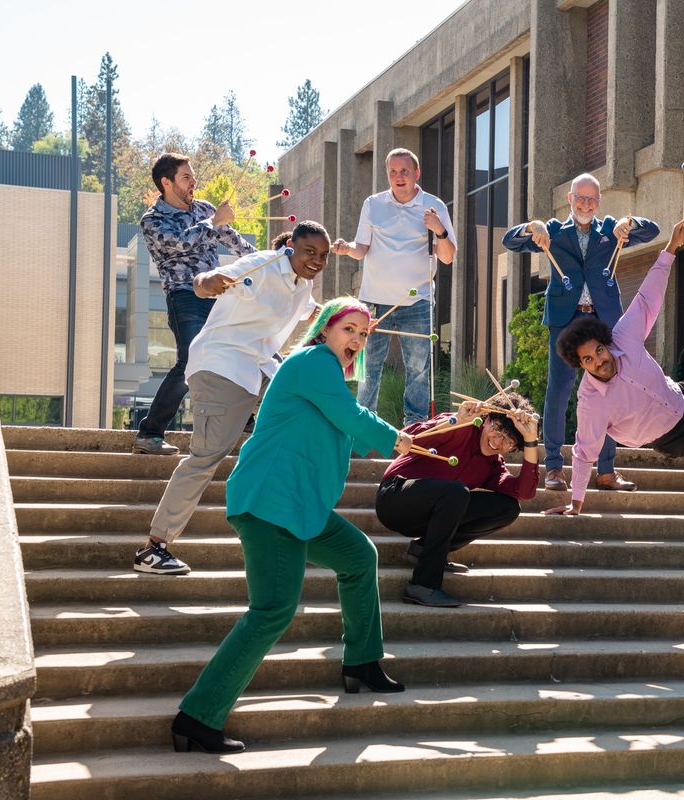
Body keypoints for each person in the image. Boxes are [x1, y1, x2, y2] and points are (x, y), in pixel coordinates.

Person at [171, 297, 413, 754]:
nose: (357, 340)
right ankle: (196, 717)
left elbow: (347, 431)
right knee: (272, 610)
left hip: (300, 507)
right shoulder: (313, 361)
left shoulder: (330, 378)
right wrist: (397, 438)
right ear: (325, 330)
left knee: (359, 557)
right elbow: (352, 419)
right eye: (350, 330)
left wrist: (411, 436)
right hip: (270, 502)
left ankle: (361, 661)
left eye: (364, 335)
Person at [132, 221, 329, 576]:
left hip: (260, 372)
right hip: (222, 366)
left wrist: (351, 322)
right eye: (309, 252)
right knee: (206, 456)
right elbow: (206, 281)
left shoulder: (304, 284)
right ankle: (154, 547)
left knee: (302, 419)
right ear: (291, 249)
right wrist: (208, 283)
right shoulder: (263, 265)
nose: (316, 260)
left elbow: (314, 312)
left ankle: (292, 529)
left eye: (323, 255)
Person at [544, 219, 684, 516]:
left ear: (604, 342)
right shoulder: (590, 401)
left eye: (599, 350)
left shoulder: (624, 336)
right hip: (673, 438)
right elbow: (584, 454)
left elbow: (648, 297)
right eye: (588, 360)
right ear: (580, 364)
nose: (599, 361)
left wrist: (672, 247)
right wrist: (576, 504)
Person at [502, 173, 660, 493]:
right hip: (565, 319)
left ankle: (605, 471)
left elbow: (653, 230)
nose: (586, 204)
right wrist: (534, 226)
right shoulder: (555, 232)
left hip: (603, 321)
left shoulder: (611, 230)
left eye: (592, 199)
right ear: (570, 200)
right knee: (559, 391)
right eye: (580, 198)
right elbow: (510, 241)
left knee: (610, 392)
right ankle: (555, 469)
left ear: (599, 202)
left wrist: (629, 221)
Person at [134, 153, 255, 455]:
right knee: (190, 360)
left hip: (218, 295)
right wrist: (214, 222)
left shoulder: (205, 209)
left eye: (193, 176)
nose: (194, 182)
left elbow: (238, 244)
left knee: (237, 353)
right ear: (167, 182)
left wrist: (276, 260)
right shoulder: (153, 220)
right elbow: (180, 243)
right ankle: (150, 433)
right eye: (186, 177)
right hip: (183, 295)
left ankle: (244, 419)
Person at [376, 393, 540, 607]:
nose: (498, 442)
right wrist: (456, 420)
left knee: (508, 508)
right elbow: (405, 439)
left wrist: (531, 440)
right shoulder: (460, 426)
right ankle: (423, 585)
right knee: (457, 492)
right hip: (395, 498)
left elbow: (525, 491)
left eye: (509, 441)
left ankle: (424, 549)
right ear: (487, 420)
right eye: (497, 429)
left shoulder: (492, 466)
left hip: (431, 514)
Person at [332, 148, 456, 424]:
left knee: (418, 369)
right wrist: (346, 248)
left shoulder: (433, 206)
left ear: (416, 173)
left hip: (417, 302)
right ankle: (364, 423)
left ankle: (415, 425)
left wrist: (440, 230)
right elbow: (361, 248)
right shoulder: (373, 204)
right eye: (393, 172)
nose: (398, 177)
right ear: (387, 174)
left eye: (404, 171)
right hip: (374, 302)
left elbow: (447, 257)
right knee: (368, 367)